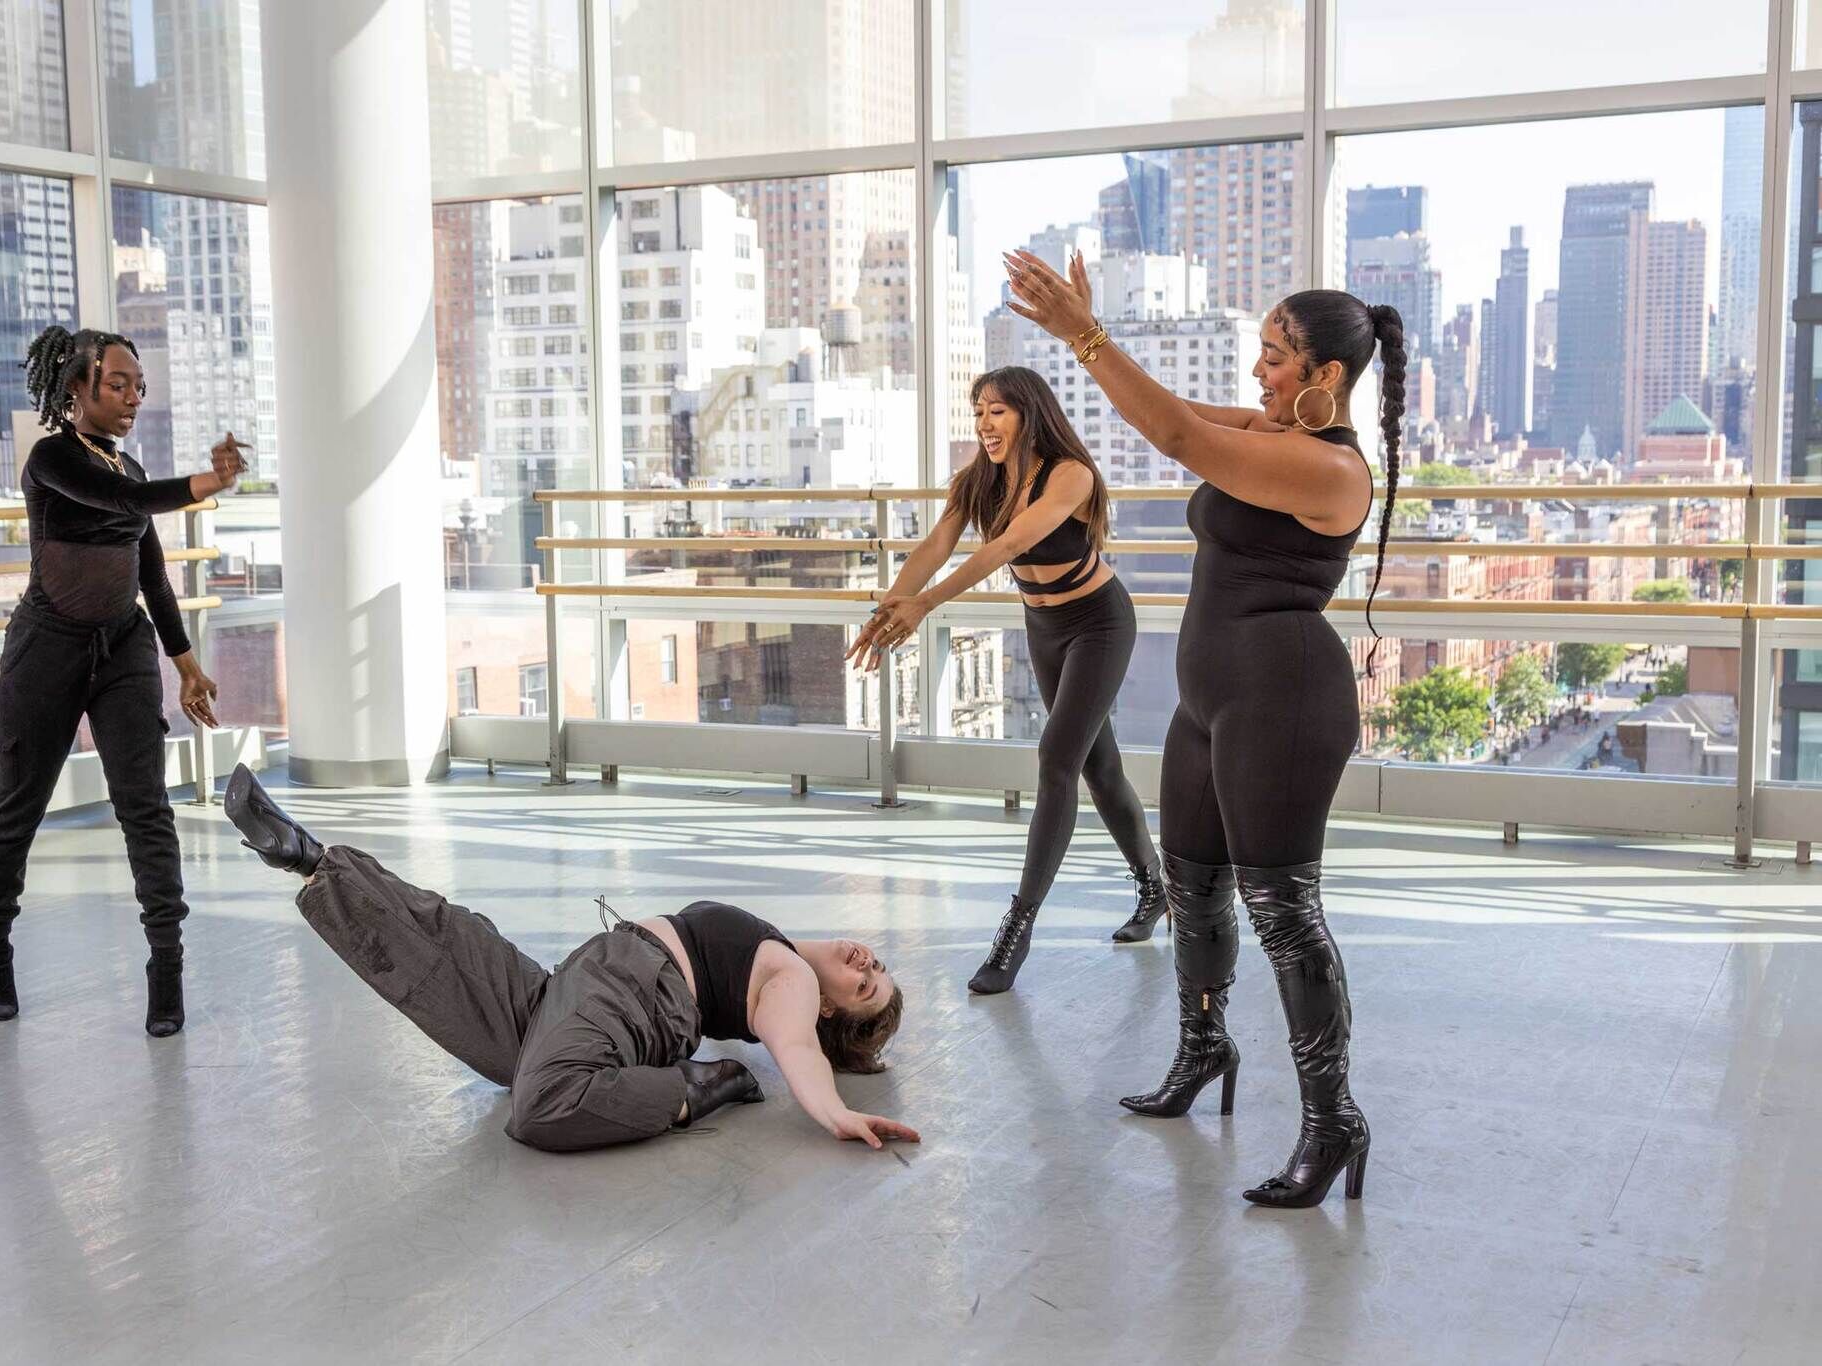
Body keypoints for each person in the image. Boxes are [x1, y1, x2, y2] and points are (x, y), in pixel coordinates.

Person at [1001, 248, 1401, 1209]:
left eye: (1274, 356)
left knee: (1283, 914)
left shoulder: (1332, 470)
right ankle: (1203, 1048)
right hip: (1207, 704)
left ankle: (1332, 1119)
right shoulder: (1269, 427)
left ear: (1326, 378)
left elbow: (1176, 434)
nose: (1257, 373)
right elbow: (1177, 412)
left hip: (1285, 703)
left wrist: (1081, 337)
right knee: (1192, 886)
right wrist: (1105, 342)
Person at [222, 766, 918, 1154]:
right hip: (595, 985)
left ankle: (693, 1088)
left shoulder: (793, 984)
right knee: (452, 943)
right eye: (878, 965)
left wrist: (834, 1114)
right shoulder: (786, 947)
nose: (865, 962)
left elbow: (798, 1051)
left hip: (634, 997)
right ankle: (311, 860)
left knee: (541, 1106)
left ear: (830, 1008)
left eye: (864, 987)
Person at [848, 365, 1168, 996]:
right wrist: (891, 606)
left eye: (997, 411)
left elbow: (1002, 549)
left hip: (1099, 623)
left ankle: (1016, 929)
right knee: (1098, 768)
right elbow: (937, 546)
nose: (984, 424)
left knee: (1055, 759)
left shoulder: (1069, 474)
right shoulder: (979, 481)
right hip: (1044, 627)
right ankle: (1155, 889)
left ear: (1029, 413)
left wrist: (927, 606)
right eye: (978, 412)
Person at [0, 325, 246, 1036]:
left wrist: (185, 664)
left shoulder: (127, 467)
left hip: (123, 648)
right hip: (48, 649)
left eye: (138, 387)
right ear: (77, 387)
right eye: (118, 384)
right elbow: (125, 505)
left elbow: (150, 570)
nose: (131, 398)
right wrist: (206, 483)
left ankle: (167, 967)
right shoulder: (52, 460)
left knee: (145, 807)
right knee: (17, 806)